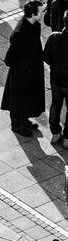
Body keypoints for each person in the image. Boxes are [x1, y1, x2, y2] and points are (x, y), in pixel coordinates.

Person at [1, 0, 45, 136]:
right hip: (21, 72)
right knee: (19, 98)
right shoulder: (20, 32)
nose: (43, 13)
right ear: (33, 14)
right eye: (41, 11)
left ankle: (24, 119)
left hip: (30, 68)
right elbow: (11, 55)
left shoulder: (34, 24)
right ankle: (17, 124)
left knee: (27, 96)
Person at [43, 14, 68, 145]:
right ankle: (67, 138)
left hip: (56, 78)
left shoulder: (54, 37)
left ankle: (55, 133)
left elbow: (46, 57)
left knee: (55, 105)